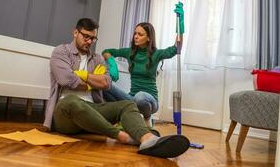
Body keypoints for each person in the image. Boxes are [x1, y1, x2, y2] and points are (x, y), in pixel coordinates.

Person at [43, 18, 190, 158]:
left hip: (106, 107)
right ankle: (124, 136)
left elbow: (106, 83)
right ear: (76, 33)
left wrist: (83, 76)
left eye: (93, 38)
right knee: (72, 100)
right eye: (86, 37)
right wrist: (98, 76)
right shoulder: (61, 51)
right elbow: (66, 79)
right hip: (65, 112)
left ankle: (148, 138)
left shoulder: (97, 59)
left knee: (128, 104)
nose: (89, 41)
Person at [102, 22, 179, 126]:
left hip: (150, 101)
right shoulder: (129, 52)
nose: (136, 37)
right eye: (135, 33)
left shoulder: (156, 54)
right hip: (132, 98)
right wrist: (112, 63)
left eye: (140, 34)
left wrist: (180, 28)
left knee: (140, 97)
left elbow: (176, 48)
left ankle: (147, 118)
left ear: (148, 38)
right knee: (105, 86)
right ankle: (122, 117)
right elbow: (106, 51)